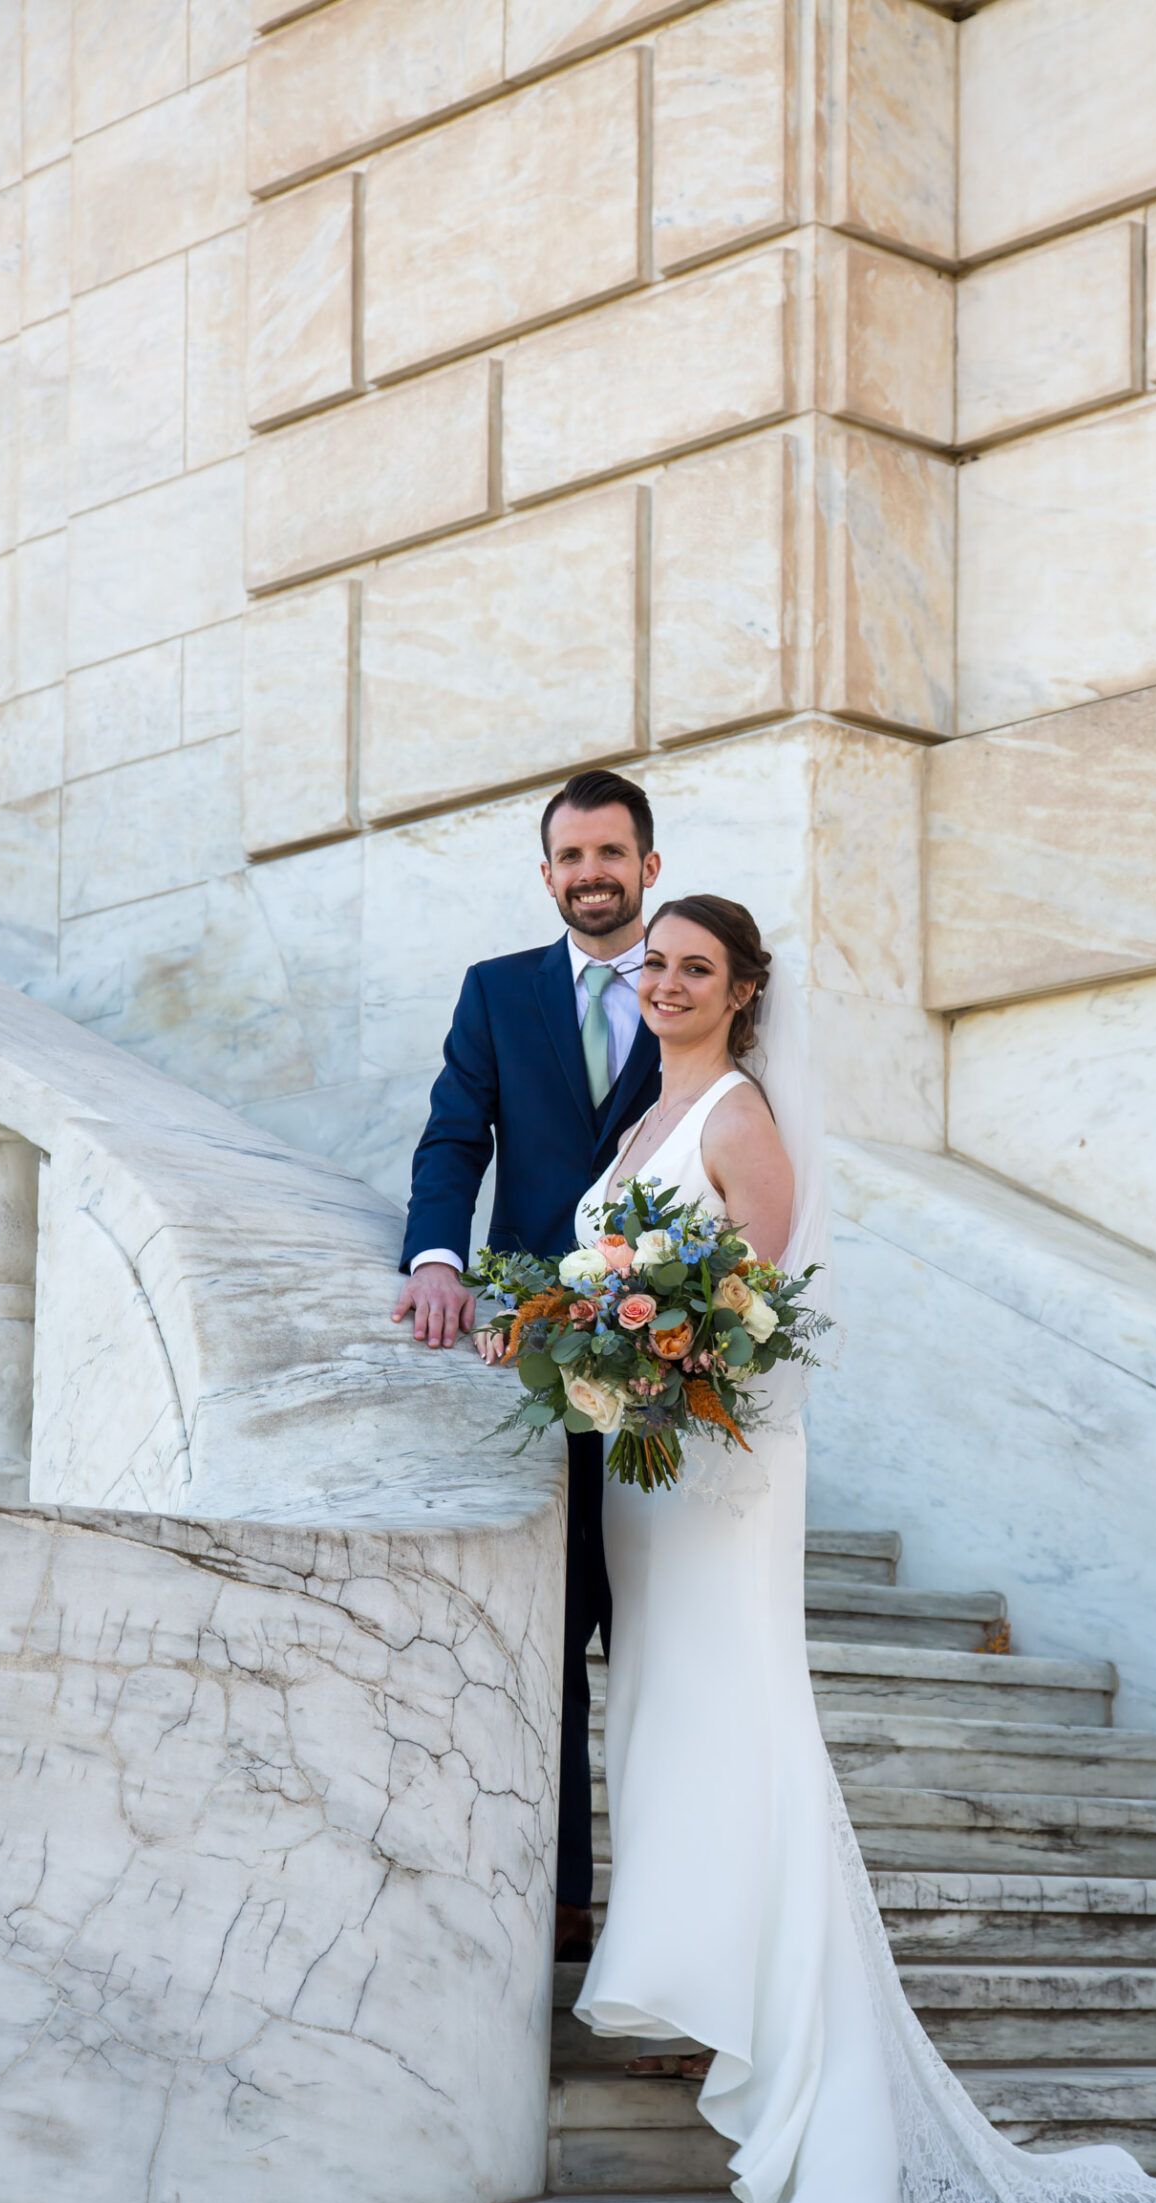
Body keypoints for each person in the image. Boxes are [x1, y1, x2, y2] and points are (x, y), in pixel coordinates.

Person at [517, 890, 1156, 2203]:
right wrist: (581, 1342)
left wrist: (654, 1358)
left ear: (743, 991)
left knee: (734, 1721)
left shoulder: (736, 1120)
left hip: (717, 1471)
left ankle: (775, 2043)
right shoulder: (640, 1121)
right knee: (663, 1717)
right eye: (656, 964)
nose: (667, 983)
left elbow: (765, 1315)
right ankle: (705, 1986)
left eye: (696, 968)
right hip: (644, 1474)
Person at [393, 771, 662, 1965]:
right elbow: (454, 1136)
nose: (590, 873)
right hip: (537, 1366)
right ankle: (558, 1903)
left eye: (610, 852)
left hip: (668, 1374)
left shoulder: (693, 984)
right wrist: (437, 1258)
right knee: (549, 1635)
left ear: (648, 865)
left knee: (661, 1644)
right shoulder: (496, 992)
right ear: (547, 872)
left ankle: (665, 1918)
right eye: (570, 855)